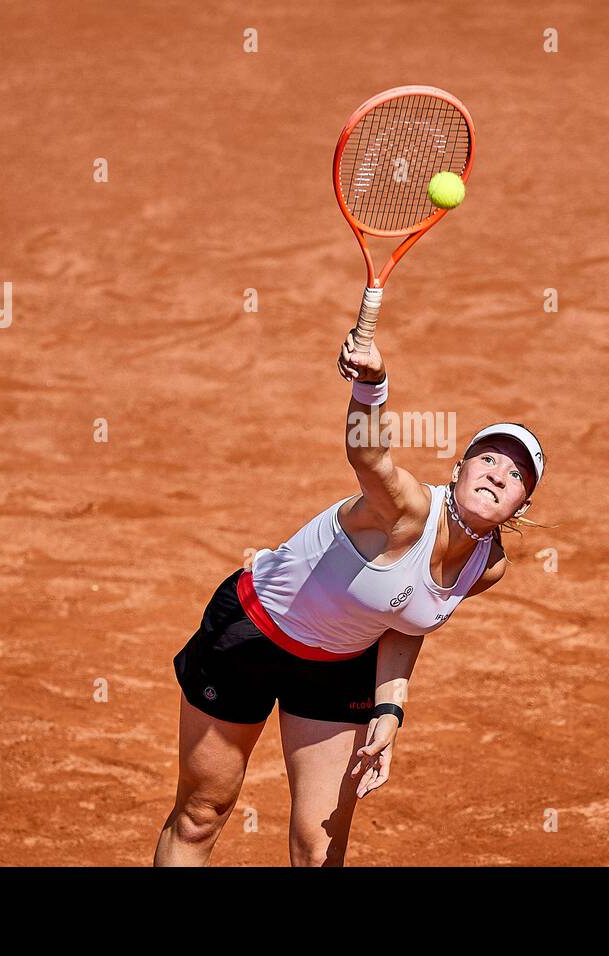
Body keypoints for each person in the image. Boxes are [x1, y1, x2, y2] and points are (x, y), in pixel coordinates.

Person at [153, 329, 545, 866]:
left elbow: (405, 623)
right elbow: (370, 456)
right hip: (252, 633)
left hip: (338, 665)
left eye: (517, 474)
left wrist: (391, 707)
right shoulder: (405, 510)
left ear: (522, 505)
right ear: (458, 472)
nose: (499, 475)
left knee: (319, 848)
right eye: (488, 460)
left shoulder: (487, 566)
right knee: (203, 812)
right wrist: (371, 386)